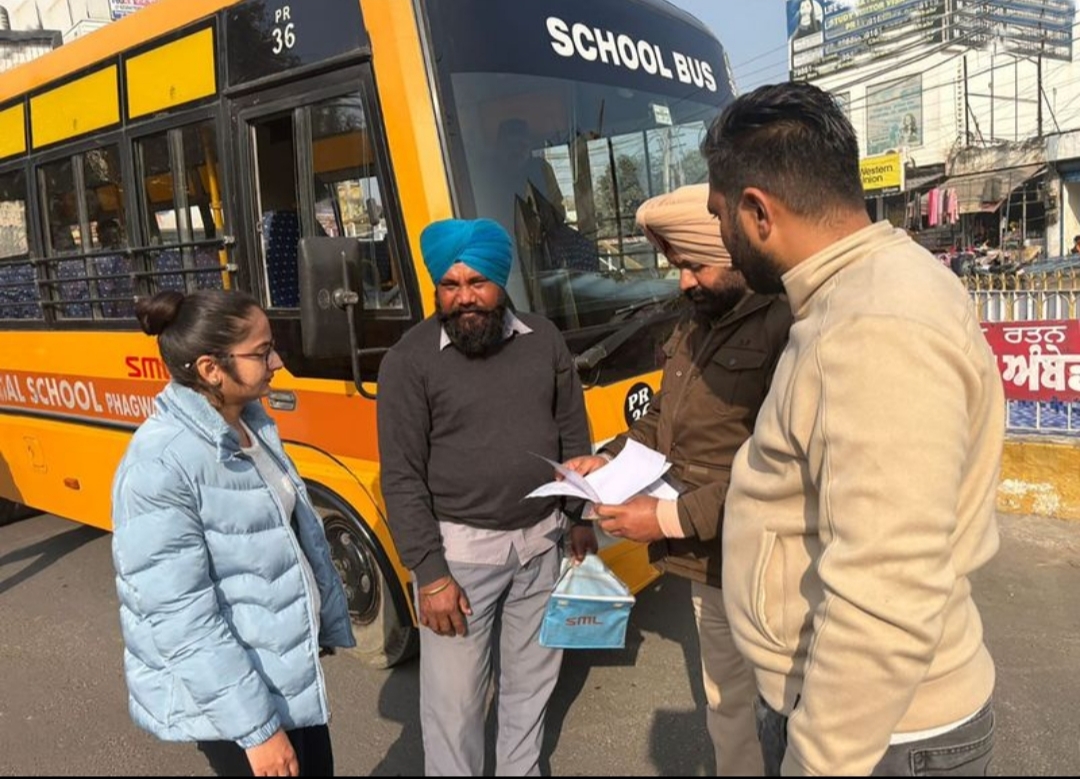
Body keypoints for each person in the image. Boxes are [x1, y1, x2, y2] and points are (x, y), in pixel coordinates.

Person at [702, 81, 1005, 776]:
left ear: (757, 212)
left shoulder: (872, 325)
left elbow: (885, 590)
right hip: (881, 727)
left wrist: (817, 762)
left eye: (719, 217)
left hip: (882, 738)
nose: (719, 239)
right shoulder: (866, 289)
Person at [562, 184, 791, 776]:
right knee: (726, 706)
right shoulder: (695, 326)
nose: (685, 282)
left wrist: (663, 519)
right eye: (678, 268)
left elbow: (779, 471)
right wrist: (610, 459)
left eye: (697, 265)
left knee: (790, 713)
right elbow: (664, 416)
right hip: (704, 567)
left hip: (772, 567)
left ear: (737, 253)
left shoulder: (787, 326)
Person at [376, 217, 597, 776]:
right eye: (450, 286)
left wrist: (578, 516)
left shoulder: (542, 337)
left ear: (501, 282)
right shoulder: (408, 361)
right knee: (455, 709)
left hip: (543, 544)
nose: (464, 298)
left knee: (530, 689)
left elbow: (572, 431)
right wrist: (431, 574)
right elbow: (401, 475)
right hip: (461, 561)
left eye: (477, 283)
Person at [111, 289, 355, 777]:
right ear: (209, 369)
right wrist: (258, 732)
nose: (277, 362)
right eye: (262, 352)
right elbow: (182, 620)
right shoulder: (161, 464)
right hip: (235, 704)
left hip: (280, 673)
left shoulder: (250, 426)